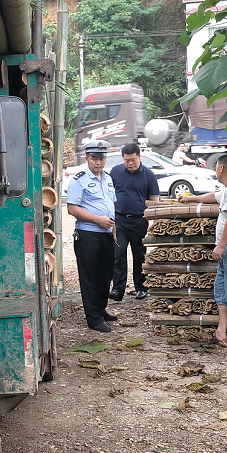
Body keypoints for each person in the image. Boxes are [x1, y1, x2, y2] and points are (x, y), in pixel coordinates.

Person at [178, 152, 227, 347]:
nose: (215, 170)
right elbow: (215, 196)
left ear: (221, 168)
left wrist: (220, 245)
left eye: (215, 167)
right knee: (222, 290)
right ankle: (221, 330)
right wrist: (190, 199)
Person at [66, 139, 117, 332]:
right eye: (94, 158)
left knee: (106, 274)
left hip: (106, 233)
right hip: (88, 234)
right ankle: (93, 318)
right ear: (87, 158)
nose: (98, 162)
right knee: (90, 276)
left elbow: (112, 207)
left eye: (101, 159)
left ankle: (101, 309)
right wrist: (97, 220)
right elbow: (72, 208)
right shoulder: (79, 180)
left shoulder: (109, 178)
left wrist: (114, 231)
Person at [109, 143, 158, 302]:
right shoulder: (115, 172)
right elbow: (108, 195)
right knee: (119, 253)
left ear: (139, 157)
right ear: (122, 159)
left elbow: (154, 200)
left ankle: (141, 288)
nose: (130, 163)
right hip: (120, 220)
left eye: (133, 160)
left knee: (140, 255)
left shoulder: (149, 175)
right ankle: (117, 289)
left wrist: (152, 221)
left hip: (139, 221)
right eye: (126, 160)